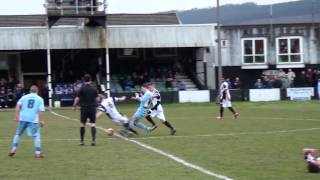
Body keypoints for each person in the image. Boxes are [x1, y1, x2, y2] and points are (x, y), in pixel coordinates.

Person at [8, 85, 45, 159]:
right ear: (37, 91)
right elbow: (41, 111)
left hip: (23, 118)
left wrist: (16, 117)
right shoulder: (40, 99)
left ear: (30, 91)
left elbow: (17, 106)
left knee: (18, 134)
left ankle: (13, 149)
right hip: (33, 119)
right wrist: (41, 121)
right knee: (36, 136)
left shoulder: (24, 97)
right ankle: (37, 154)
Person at [73, 74, 98, 146]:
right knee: (93, 124)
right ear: (90, 80)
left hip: (84, 108)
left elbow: (77, 98)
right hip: (92, 108)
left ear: (84, 80)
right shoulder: (94, 88)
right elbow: (97, 99)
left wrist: (74, 106)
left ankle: (81, 141)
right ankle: (93, 141)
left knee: (82, 124)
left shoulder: (81, 88)